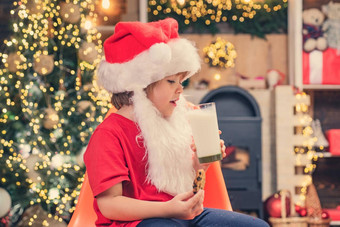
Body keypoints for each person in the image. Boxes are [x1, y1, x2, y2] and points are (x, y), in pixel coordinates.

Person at [84, 18, 269, 227]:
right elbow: (110, 205)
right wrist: (167, 209)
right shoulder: (109, 134)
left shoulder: (172, 122)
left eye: (181, 82)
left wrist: (200, 165)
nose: (180, 90)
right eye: (171, 81)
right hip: (136, 222)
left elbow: (181, 186)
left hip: (179, 214)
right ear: (140, 85)